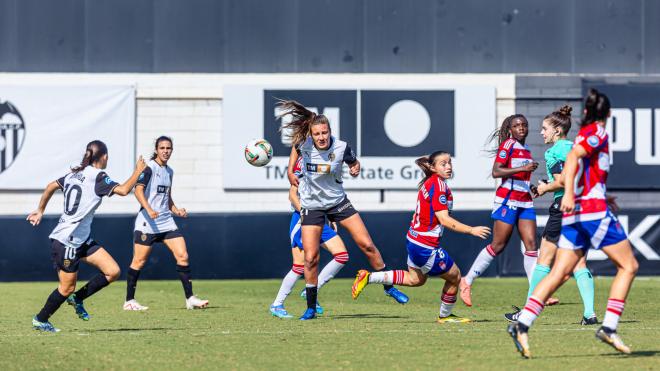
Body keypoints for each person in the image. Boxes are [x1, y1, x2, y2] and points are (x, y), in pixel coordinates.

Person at [508, 89, 638, 358]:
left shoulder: (582, 135)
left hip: (578, 212)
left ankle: (522, 324)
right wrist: (568, 193)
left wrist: (599, 193)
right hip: (592, 212)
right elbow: (574, 157)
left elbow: (582, 168)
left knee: (559, 273)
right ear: (609, 114)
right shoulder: (597, 132)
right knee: (629, 265)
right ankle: (609, 327)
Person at [280, 100, 408, 321]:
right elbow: (294, 151)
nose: (321, 137)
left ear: (330, 131)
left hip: (339, 203)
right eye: (317, 133)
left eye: (325, 132)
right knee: (310, 258)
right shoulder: (304, 145)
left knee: (367, 245)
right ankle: (310, 307)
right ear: (311, 134)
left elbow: (353, 163)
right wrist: (291, 171)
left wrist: (355, 168)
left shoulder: (341, 147)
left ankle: (389, 287)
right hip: (312, 206)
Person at [351, 152, 491, 322]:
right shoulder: (438, 185)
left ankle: (369, 277)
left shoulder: (430, 183)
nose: (448, 167)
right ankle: (445, 316)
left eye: (449, 163)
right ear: (433, 167)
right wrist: (471, 230)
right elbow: (444, 220)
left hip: (414, 240)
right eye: (443, 164)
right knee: (455, 277)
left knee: (415, 280)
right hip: (425, 245)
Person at [27, 140, 146, 332]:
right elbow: (124, 190)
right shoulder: (98, 177)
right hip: (67, 241)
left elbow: (50, 186)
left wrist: (40, 210)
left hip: (81, 239)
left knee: (112, 271)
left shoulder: (75, 173)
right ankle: (41, 319)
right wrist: (138, 171)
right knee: (66, 288)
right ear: (104, 157)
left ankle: (78, 299)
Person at [505, 106, 597, 325]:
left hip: (562, 208)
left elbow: (563, 180)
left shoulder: (554, 151)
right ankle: (590, 314)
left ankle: (526, 313)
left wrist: (545, 188)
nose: (542, 133)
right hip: (582, 208)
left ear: (557, 131)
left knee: (543, 261)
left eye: (545, 128)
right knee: (580, 264)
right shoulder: (577, 148)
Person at [459, 114, 540, 306]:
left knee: (531, 245)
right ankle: (467, 281)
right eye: (516, 125)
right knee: (498, 245)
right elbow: (497, 171)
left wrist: (532, 187)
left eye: (524, 125)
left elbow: (521, 178)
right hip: (508, 200)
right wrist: (524, 169)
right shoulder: (508, 145)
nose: (521, 127)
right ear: (510, 129)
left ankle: (537, 292)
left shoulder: (526, 149)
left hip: (525, 201)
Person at [124, 136, 208, 311]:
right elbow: (137, 191)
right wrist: (148, 209)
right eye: (162, 148)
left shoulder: (169, 171)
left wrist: (176, 210)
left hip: (165, 222)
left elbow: (166, 197)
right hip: (147, 222)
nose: (165, 151)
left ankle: (190, 298)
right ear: (156, 150)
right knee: (138, 261)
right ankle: (129, 301)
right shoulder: (149, 168)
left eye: (168, 148)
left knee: (183, 255)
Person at [269, 157, 349, 318]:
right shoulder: (302, 161)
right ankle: (277, 304)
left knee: (342, 256)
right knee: (299, 266)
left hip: (319, 219)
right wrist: (305, 214)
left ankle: (311, 291)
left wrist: (331, 217)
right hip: (302, 220)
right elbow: (292, 195)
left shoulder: (323, 160)